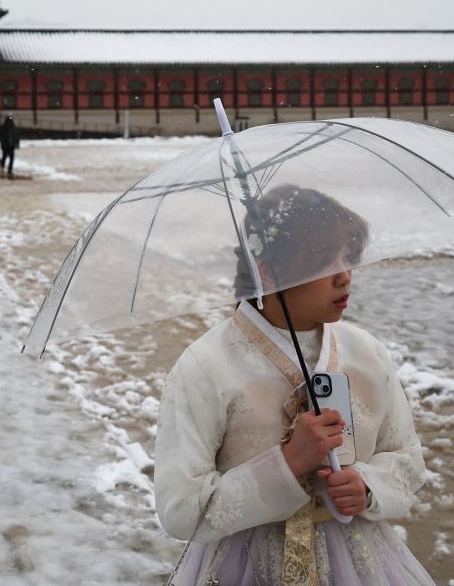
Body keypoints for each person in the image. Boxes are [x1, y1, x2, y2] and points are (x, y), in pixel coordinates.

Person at [154, 186, 433, 586]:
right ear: (267, 271)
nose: (345, 276)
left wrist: (368, 487)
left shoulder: (366, 354)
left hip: (358, 560)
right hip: (245, 562)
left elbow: (406, 457)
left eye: (349, 258)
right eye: (323, 263)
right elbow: (181, 509)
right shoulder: (206, 366)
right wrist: (287, 465)